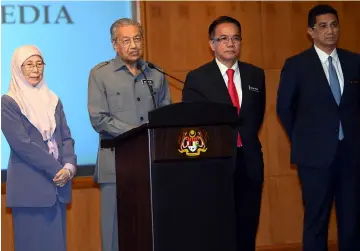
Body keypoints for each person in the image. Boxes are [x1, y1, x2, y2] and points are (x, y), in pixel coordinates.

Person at [276, 4, 360, 251]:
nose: (330, 31)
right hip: (314, 158)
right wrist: (304, 139)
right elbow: (284, 109)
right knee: (316, 221)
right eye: (323, 26)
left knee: (353, 222)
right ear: (311, 32)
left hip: (351, 157)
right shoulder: (296, 65)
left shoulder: (354, 61)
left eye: (334, 24)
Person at [182, 16, 266, 251]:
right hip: (214, 165)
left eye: (235, 38)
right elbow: (194, 125)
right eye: (223, 38)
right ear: (212, 44)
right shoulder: (197, 78)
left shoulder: (255, 75)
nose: (231, 43)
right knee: (217, 231)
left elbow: (255, 118)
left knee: (247, 230)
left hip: (249, 162)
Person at [87, 18, 171, 251]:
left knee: (150, 229)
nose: (133, 45)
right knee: (113, 232)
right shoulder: (100, 74)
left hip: (151, 165)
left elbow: (166, 116)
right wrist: (137, 134)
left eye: (137, 39)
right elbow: (98, 118)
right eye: (126, 40)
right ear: (115, 44)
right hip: (115, 163)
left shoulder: (156, 73)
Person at [1, 45, 77, 251]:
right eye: (28, 65)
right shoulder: (8, 102)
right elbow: (22, 145)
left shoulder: (53, 100)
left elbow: (66, 137)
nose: (35, 69)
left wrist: (69, 167)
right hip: (30, 190)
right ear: (18, 68)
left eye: (39, 64)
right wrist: (57, 169)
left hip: (58, 189)